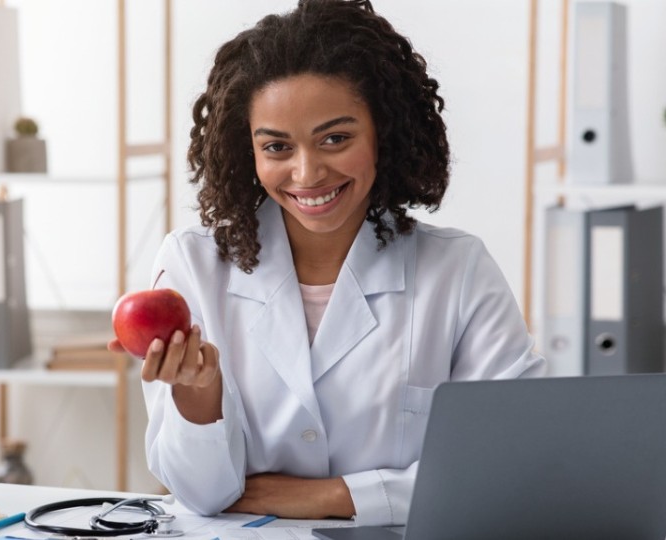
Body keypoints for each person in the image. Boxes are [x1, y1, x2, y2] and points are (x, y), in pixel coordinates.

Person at [109, 0, 545, 526]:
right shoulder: (194, 265)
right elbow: (201, 494)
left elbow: (511, 466)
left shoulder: (458, 271)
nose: (307, 172)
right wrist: (198, 395)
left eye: (335, 138)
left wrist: (335, 496)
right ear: (246, 150)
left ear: (385, 131)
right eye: (276, 147)